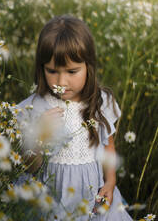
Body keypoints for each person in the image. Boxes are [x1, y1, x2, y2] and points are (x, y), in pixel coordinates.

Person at [17, 15, 133, 220]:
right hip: (51, 200)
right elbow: (30, 166)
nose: (61, 81)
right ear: (41, 67)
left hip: (92, 196)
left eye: (72, 71)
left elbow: (108, 146)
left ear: (88, 66)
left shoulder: (100, 101)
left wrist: (111, 181)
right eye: (52, 71)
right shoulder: (34, 108)